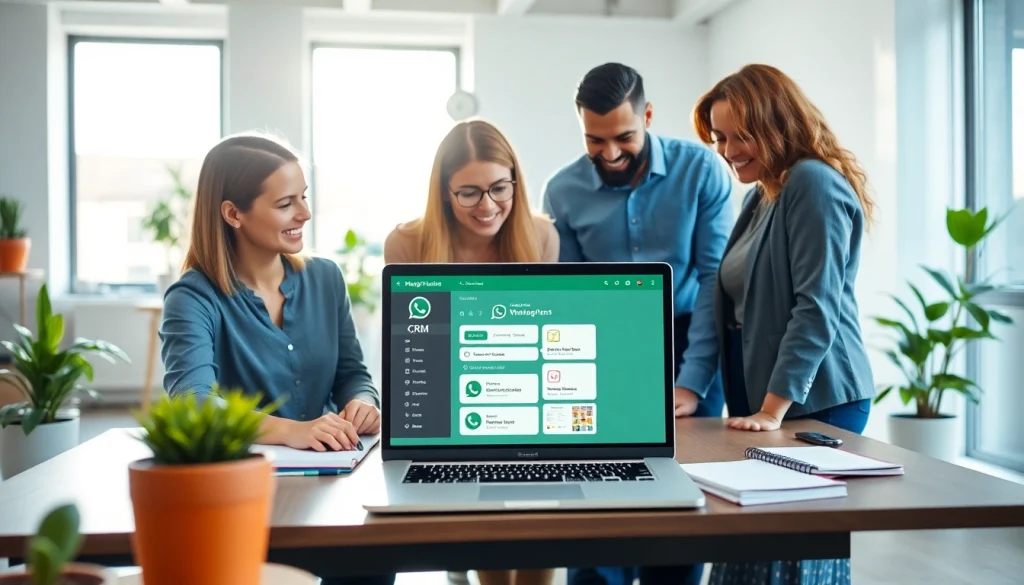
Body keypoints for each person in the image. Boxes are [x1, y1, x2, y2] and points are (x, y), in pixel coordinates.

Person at [159, 132, 393, 585]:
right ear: (233, 213)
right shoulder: (192, 298)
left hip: (334, 482)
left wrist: (364, 402)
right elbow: (194, 404)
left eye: (303, 197)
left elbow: (352, 374)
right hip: (239, 496)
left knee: (374, 559)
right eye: (286, 203)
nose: (304, 213)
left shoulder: (325, 278)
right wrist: (294, 431)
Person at [541, 62, 733, 585]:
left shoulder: (703, 171)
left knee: (679, 494)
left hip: (693, 336)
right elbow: (572, 299)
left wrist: (692, 382)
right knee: (595, 488)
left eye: (624, 136)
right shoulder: (562, 190)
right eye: (594, 140)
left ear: (648, 115)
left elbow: (715, 277)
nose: (610, 153)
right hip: (604, 349)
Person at [692, 64, 876, 584]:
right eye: (720, 138)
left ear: (776, 123)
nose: (727, 152)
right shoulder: (765, 191)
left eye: (740, 136)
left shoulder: (813, 184)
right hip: (771, 399)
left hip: (816, 400)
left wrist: (774, 409)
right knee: (752, 550)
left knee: (789, 562)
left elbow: (815, 304)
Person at [384, 119, 558, 585]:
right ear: (444, 192)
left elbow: (542, 337)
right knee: (489, 536)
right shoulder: (407, 243)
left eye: (499, 188)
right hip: (453, 409)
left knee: (541, 528)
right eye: (469, 193)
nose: (487, 206)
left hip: (524, 401)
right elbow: (411, 348)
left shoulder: (541, 237)